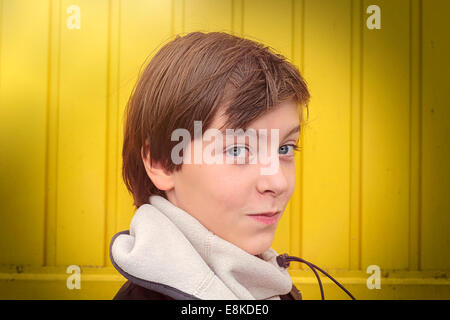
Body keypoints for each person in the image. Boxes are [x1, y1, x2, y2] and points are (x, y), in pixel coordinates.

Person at [109, 31, 310, 300]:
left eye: (284, 148)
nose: (278, 183)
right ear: (161, 163)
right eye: (238, 150)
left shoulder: (266, 284)